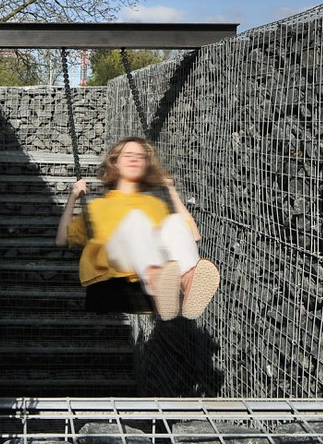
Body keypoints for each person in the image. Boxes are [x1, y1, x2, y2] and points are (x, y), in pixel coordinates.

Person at [56, 137, 221, 320]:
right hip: (112, 264)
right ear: (115, 163)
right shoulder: (97, 207)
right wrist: (73, 197)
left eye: (140, 156)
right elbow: (62, 239)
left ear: (146, 165)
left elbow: (193, 236)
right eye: (128, 155)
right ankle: (158, 283)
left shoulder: (155, 204)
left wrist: (171, 191)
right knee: (136, 220)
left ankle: (188, 283)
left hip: (146, 264)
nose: (134, 159)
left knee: (174, 222)